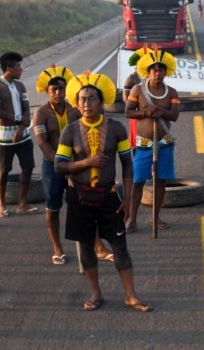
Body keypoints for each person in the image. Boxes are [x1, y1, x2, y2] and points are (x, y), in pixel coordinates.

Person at [55, 73, 151, 312]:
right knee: (87, 247)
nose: (87, 104)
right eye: (82, 100)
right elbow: (59, 165)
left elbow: (127, 164)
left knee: (120, 246)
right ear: (76, 103)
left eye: (92, 99)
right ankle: (95, 292)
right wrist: (87, 163)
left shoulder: (117, 129)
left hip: (109, 197)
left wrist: (127, 197)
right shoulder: (70, 131)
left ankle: (130, 295)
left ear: (102, 102)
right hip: (79, 198)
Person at [33, 65, 112, 265]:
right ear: (47, 91)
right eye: (54, 90)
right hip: (53, 166)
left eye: (62, 88)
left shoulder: (75, 109)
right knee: (53, 208)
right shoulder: (41, 114)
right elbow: (43, 143)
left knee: (86, 206)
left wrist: (78, 165)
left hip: (78, 166)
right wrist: (62, 165)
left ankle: (98, 246)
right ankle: (57, 248)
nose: (58, 93)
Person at [124, 48, 181, 233]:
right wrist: (144, 112)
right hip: (143, 145)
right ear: (148, 72)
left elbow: (174, 116)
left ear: (166, 72)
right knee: (138, 182)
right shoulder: (138, 90)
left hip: (164, 143)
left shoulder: (172, 92)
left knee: (161, 181)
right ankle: (132, 220)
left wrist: (161, 111)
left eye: (161, 69)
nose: (158, 73)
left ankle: (155, 218)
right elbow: (127, 112)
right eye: (154, 70)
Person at [0, 51, 39, 217]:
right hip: (5, 135)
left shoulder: (20, 86)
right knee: (4, 169)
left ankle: (22, 203)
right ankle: (1, 205)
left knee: (28, 167)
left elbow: (26, 107)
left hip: (22, 133)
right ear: (8, 68)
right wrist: (20, 120)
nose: (21, 70)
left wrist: (22, 128)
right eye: (18, 67)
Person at [122, 51, 143, 145]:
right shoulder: (131, 79)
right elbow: (126, 100)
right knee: (138, 146)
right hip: (137, 117)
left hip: (153, 118)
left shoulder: (152, 78)